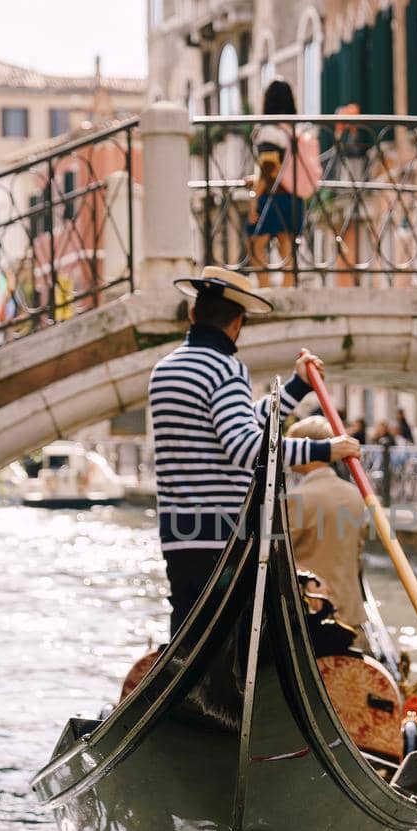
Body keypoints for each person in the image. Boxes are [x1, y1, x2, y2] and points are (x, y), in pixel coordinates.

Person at [149, 266, 360, 634]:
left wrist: (296, 386)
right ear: (237, 324)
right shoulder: (225, 369)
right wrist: (326, 451)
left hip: (179, 533)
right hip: (225, 536)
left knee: (187, 633)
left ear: (193, 314)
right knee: (238, 642)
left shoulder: (165, 370)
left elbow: (241, 423)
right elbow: (248, 448)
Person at [285, 415, 369, 631]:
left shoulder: (296, 499)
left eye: (294, 446)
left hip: (314, 612)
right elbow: (358, 553)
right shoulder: (355, 495)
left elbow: (280, 556)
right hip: (351, 609)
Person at [248, 81, 323, 287]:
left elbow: (269, 168)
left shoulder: (269, 131)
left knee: (255, 244)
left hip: (272, 196)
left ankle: (265, 290)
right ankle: (287, 289)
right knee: (287, 246)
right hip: (294, 195)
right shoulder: (294, 129)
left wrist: (255, 199)